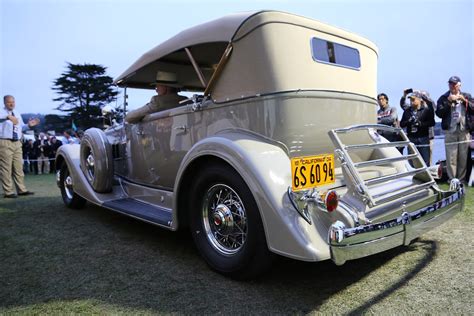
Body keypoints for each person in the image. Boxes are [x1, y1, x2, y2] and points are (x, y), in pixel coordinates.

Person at [0, 95, 39, 198]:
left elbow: (21, 127)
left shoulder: (17, 113)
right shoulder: (1, 112)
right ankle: (8, 192)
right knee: (6, 168)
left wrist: (29, 125)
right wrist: (7, 117)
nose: (11, 104)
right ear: (4, 102)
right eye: (9, 102)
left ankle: (21, 190)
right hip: (5, 142)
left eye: (13, 102)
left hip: (17, 142)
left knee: (19, 168)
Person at [436, 76, 473, 183]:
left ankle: (461, 179)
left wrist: (464, 100)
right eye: (450, 84)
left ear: (459, 85)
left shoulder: (466, 96)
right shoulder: (443, 97)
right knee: (451, 156)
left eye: (454, 84)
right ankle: (452, 179)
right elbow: (439, 113)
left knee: (463, 157)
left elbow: (473, 107)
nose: (452, 86)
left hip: (464, 130)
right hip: (450, 131)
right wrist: (448, 102)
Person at [400, 91, 435, 165]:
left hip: (423, 138)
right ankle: (413, 175)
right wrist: (408, 121)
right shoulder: (407, 111)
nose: (411, 102)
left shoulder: (426, 110)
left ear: (419, 100)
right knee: (412, 161)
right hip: (411, 138)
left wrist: (421, 124)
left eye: (413, 99)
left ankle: (426, 175)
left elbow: (432, 123)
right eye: (410, 100)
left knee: (425, 161)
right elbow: (402, 124)